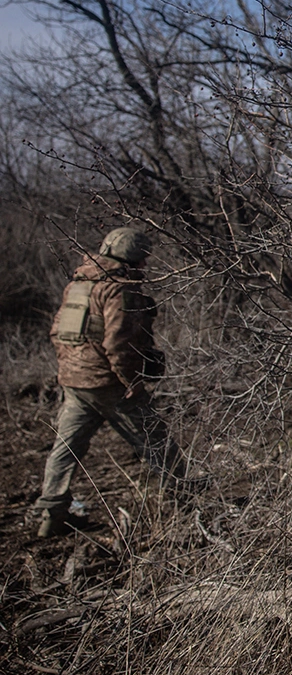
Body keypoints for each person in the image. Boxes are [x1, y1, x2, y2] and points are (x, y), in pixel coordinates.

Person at [34, 227, 185, 538]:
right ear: (134, 258)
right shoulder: (120, 288)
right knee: (157, 443)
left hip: (76, 383)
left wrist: (72, 368)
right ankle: (190, 502)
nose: (145, 265)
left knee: (65, 451)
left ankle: (52, 515)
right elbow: (119, 345)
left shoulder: (78, 284)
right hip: (111, 384)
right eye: (143, 259)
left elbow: (57, 333)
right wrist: (133, 382)